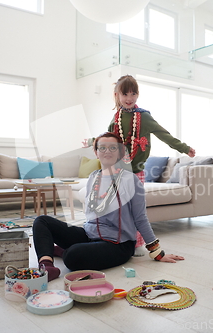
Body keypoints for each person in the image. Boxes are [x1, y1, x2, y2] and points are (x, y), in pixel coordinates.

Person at [34, 132, 184, 281]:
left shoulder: (130, 180)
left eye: (113, 148)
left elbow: (140, 218)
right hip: (89, 235)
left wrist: (157, 252)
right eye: (102, 148)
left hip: (118, 244)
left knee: (72, 256)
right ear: (96, 152)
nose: (107, 151)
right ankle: (47, 266)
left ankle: (63, 251)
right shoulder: (93, 177)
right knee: (42, 221)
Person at [82, 75, 196, 251]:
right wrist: (92, 141)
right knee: (120, 209)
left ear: (137, 95)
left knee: (136, 209)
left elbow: (163, 134)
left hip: (135, 171)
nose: (129, 98)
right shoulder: (117, 118)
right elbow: (109, 138)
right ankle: (117, 239)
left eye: (133, 93)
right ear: (117, 95)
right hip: (117, 171)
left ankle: (138, 244)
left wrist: (184, 148)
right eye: (125, 94)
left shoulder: (144, 117)